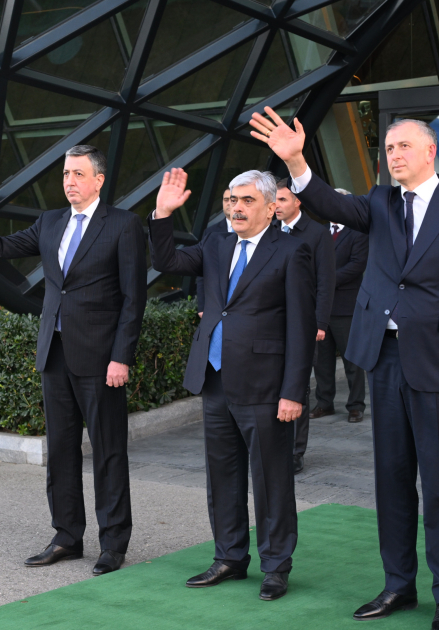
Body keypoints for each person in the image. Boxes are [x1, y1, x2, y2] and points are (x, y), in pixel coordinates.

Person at [251, 107, 439, 630]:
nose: (394, 156)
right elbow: (327, 201)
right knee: (391, 480)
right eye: (388, 149)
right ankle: (398, 586)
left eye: (403, 146)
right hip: (384, 359)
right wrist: (295, 161)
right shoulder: (380, 203)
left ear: (430, 151)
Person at [0, 145, 147, 576]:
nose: (70, 181)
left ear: (99, 180)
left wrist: (121, 357)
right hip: (54, 354)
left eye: (78, 174)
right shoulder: (50, 221)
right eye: (66, 174)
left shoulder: (124, 225)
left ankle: (113, 543)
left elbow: (134, 299)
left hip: (101, 359)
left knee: (108, 451)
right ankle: (67, 537)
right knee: (61, 451)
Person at [149, 168, 315, 601]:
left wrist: (293, 391)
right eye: (232, 200)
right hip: (216, 378)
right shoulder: (217, 243)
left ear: (271, 208)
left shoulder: (291, 251)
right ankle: (229, 557)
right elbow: (167, 262)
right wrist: (162, 214)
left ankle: (276, 566)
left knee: (271, 479)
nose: (236, 208)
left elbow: (301, 326)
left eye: (246, 201)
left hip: (266, 385)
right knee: (222, 475)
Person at [272, 178, 336, 474]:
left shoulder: (317, 233)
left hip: (304, 322)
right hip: (272, 321)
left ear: (298, 201)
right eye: (274, 201)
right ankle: (275, 446)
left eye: (283, 200)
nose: (277, 206)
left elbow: (326, 280)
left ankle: (296, 452)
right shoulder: (269, 229)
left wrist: (320, 322)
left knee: (298, 386)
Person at [311, 188, 369, 425]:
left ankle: (355, 406)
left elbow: (357, 265)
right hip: (320, 308)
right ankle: (324, 403)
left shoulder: (358, 232)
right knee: (321, 361)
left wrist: (325, 280)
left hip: (345, 307)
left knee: (351, 360)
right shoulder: (319, 231)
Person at [197, 189, 234, 317]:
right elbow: (203, 270)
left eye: (232, 200)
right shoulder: (210, 232)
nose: (228, 203)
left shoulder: (253, 229)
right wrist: (202, 306)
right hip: (217, 303)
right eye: (225, 200)